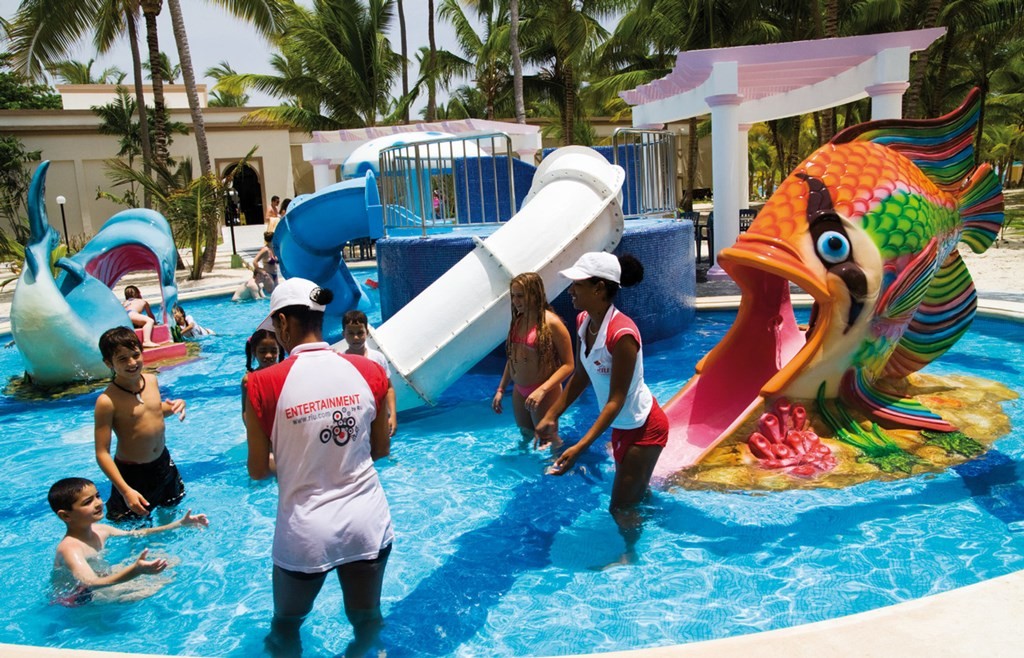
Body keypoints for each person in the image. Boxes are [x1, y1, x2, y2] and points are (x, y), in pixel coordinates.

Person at [244, 278, 393, 658]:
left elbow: (259, 470)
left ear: (281, 323)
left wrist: (300, 456)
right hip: (367, 522)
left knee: (285, 627)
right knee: (367, 620)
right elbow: (380, 449)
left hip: (305, 531)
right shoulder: (368, 370)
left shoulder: (260, 384)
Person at [535, 252, 667, 565]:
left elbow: (615, 399)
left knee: (619, 507)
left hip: (643, 427)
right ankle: (649, 520)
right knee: (634, 495)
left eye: (578, 284)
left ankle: (630, 557)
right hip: (623, 427)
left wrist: (579, 447)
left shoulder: (622, 336)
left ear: (598, 289)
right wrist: (552, 415)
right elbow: (582, 373)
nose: (571, 290)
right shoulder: (584, 321)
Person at [48, 477, 208, 606]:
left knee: (169, 561)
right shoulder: (71, 549)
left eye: (97, 496)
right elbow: (90, 582)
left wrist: (179, 524)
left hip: (97, 579)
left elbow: (137, 533)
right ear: (65, 516)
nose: (98, 503)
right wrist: (135, 571)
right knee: (146, 589)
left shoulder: (100, 530)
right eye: (87, 502)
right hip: (78, 598)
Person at [95, 327, 188, 522]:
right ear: (108, 363)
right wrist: (125, 490)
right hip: (133, 474)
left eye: (135, 355)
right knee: (133, 528)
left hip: (163, 463)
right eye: (122, 359)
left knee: (171, 513)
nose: (132, 363)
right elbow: (102, 453)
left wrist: (175, 406)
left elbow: (150, 411)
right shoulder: (107, 401)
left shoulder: (151, 381)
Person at [492, 273, 573, 446]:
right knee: (526, 434)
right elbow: (512, 358)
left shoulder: (552, 323)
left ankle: (557, 467)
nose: (515, 301)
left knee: (547, 439)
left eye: (520, 295)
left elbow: (568, 365)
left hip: (543, 392)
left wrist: (542, 390)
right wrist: (501, 389)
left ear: (535, 294)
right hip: (519, 391)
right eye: (513, 296)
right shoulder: (518, 321)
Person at [338, 309, 398, 436]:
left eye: (360, 333)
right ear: (344, 334)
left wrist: (392, 415)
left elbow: (388, 388)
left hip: (378, 416)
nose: (356, 337)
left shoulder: (377, 358)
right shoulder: (341, 362)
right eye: (351, 333)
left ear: (367, 332)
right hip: (355, 419)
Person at [241, 328, 282, 417]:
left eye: (274, 351)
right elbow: (245, 412)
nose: (268, 355)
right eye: (262, 351)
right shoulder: (248, 380)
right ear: (254, 352)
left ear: (279, 351)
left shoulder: (285, 375)